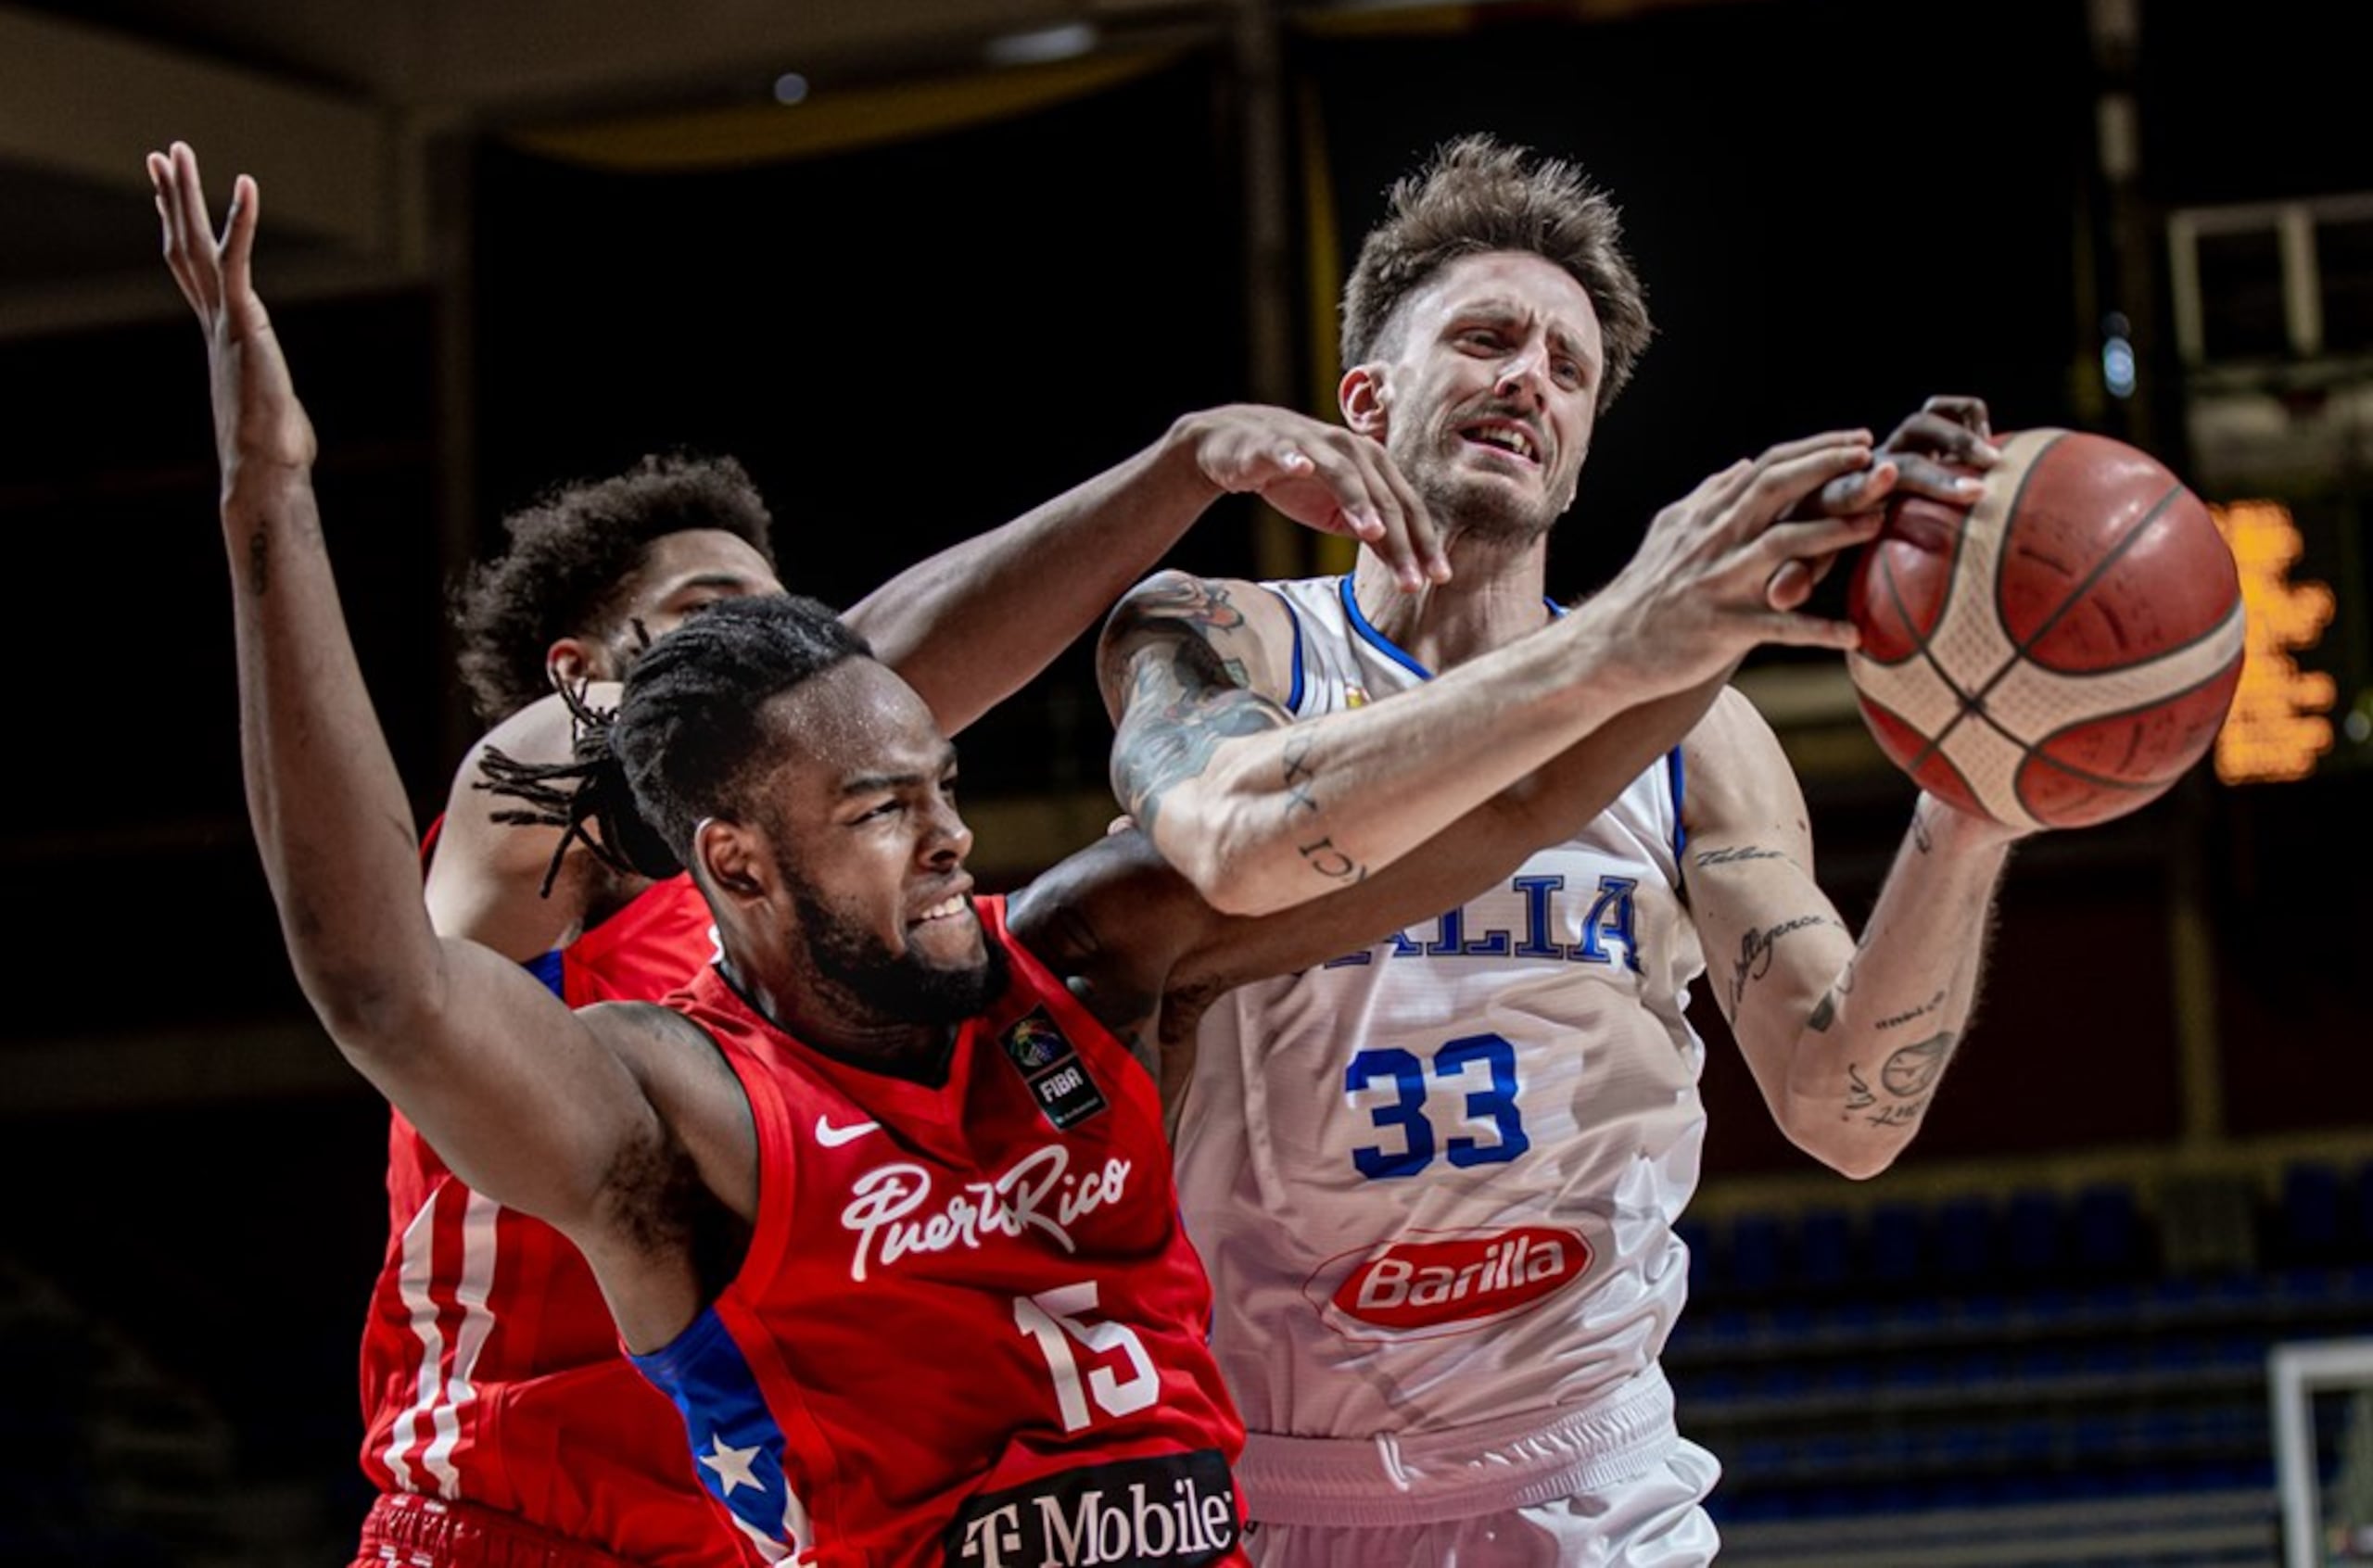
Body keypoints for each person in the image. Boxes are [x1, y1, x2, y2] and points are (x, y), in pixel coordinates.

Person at [158, 134, 1897, 1564]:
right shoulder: (610, 1024)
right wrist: (272, 504)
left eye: (931, 784)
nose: (943, 831)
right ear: (718, 834)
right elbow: (378, 965)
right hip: (529, 1528)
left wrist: (1700, 632)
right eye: (722, 638)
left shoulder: (1038, 963)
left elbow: (1474, 825)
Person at [1094, 133, 2026, 1563]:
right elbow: (1232, 839)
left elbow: (1852, 1113)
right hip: (1274, 1480)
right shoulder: (1226, 636)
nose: (1529, 374)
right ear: (1366, 398)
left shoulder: (1694, 736)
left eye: (1568, 367)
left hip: (1589, 1481)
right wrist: (1629, 638)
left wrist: (1973, 805)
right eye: (1484, 337)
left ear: (1583, 451)